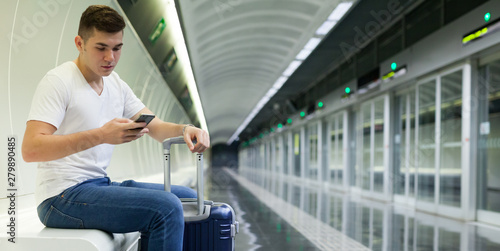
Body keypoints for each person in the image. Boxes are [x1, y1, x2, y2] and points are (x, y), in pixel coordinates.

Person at [21, 5, 209, 251]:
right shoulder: (59, 82)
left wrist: (186, 128)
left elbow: (156, 126)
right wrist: (101, 136)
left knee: (187, 197)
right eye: (101, 48)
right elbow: (31, 149)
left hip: (99, 185)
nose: (110, 58)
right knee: (166, 207)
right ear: (79, 43)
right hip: (60, 198)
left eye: (117, 48)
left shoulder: (116, 85)